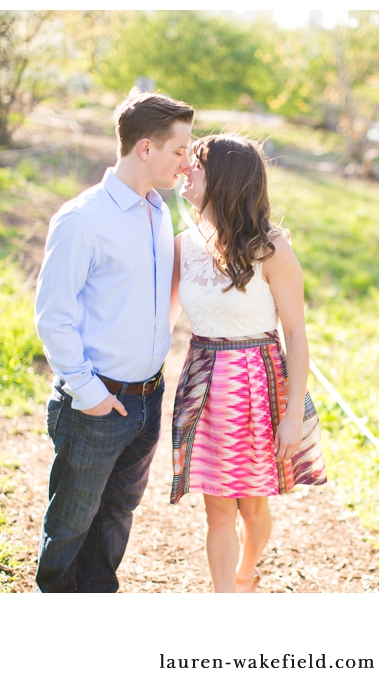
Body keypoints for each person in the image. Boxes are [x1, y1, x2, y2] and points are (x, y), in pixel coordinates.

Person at [34, 88, 195, 592]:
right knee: (70, 526)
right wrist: (91, 394)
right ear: (144, 148)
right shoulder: (83, 219)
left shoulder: (160, 211)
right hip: (96, 404)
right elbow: (52, 316)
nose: (186, 163)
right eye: (179, 150)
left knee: (118, 515)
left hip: (148, 397)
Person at [170, 133, 327, 593]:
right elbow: (164, 317)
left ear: (222, 178)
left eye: (194, 164)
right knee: (217, 509)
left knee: (252, 506)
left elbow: (296, 335)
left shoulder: (272, 249)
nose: (184, 170)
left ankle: (246, 573)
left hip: (257, 385)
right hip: (203, 384)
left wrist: (293, 412)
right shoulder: (184, 244)